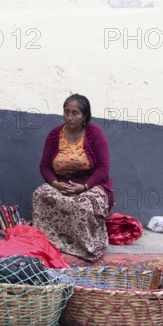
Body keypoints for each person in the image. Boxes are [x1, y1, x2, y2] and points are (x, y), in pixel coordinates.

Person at [31, 94, 114, 262]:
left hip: (91, 185)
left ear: (85, 116)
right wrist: (57, 185)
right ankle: (52, 241)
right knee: (40, 194)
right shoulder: (55, 135)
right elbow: (45, 167)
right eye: (66, 112)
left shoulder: (94, 133)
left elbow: (103, 168)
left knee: (83, 205)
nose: (69, 117)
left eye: (75, 113)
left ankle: (84, 246)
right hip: (62, 184)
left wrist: (84, 187)